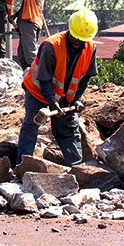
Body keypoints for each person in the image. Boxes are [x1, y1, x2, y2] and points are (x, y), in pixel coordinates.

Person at [16, 9, 99, 167]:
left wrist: (77, 99)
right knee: (32, 124)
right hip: (37, 91)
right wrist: (52, 102)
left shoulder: (90, 48)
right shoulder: (51, 46)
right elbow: (44, 79)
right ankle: (22, 166)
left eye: (82, 40)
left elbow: (85, 78)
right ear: (70, 29)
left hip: (66, 96)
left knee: (69, 127)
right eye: (75, 37)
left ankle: (76, 168)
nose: (77, 42)